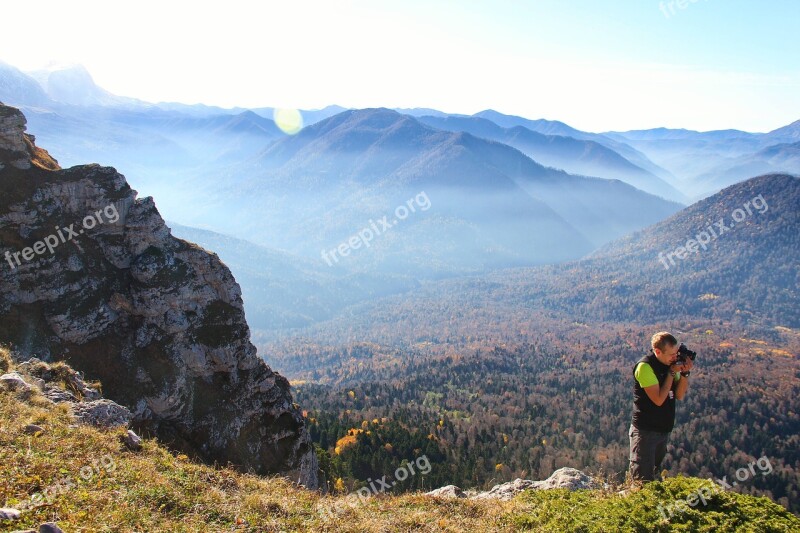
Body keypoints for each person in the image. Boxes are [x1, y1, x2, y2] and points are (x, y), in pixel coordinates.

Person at [629, 331, 694, 482]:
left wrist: (684, 374)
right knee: (642, 479)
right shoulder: (645, 367)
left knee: (653, 473)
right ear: (658, 351)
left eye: (676, 353)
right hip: (645, 431)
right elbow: (658, 399)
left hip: (662, 430)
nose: (675, 357)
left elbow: (679, 394)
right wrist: (671, 373)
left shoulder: (669, 365)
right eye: (671, 354)